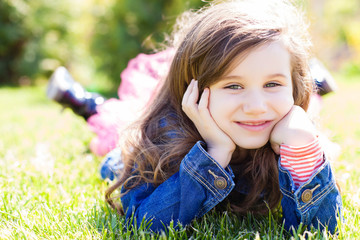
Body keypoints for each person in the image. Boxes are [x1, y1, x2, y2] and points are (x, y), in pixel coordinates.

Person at [47, 0, 342, 234]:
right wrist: (215, 153)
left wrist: (301, 148)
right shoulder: (164, 135)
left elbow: (320, 231)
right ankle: (85, 103)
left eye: (273, 84)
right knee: (117, 132)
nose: (256, 106)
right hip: (152, 127)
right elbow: (147, 224)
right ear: (196, 91)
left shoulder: (290, 129)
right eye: (233, 85)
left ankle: (312, 78)